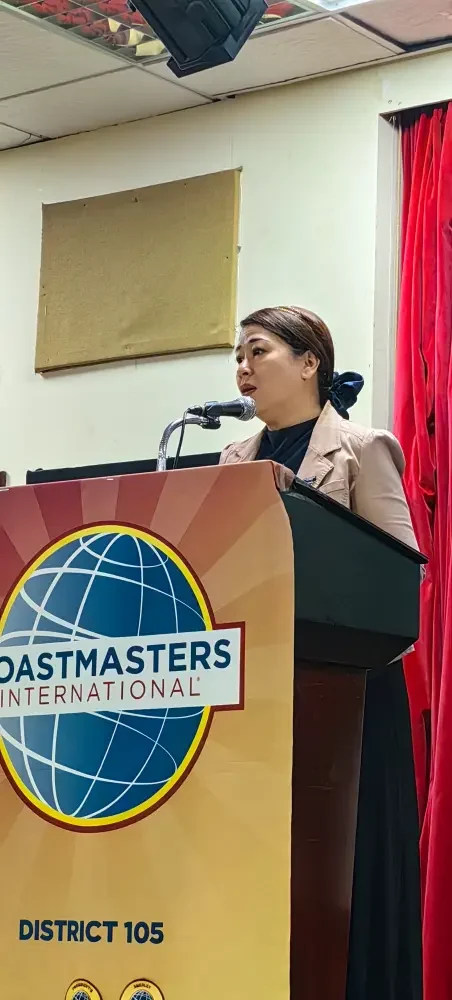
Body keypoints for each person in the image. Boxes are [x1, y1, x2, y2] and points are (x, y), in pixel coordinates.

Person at [220, 305, 422, 1000]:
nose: (243, 368)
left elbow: (398, 572)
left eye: (258, 351)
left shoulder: (364, 448)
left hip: (348, 693)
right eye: (238, 356)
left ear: (310, 363)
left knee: (339, 863)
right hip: (258, 692)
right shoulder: (232, 460)